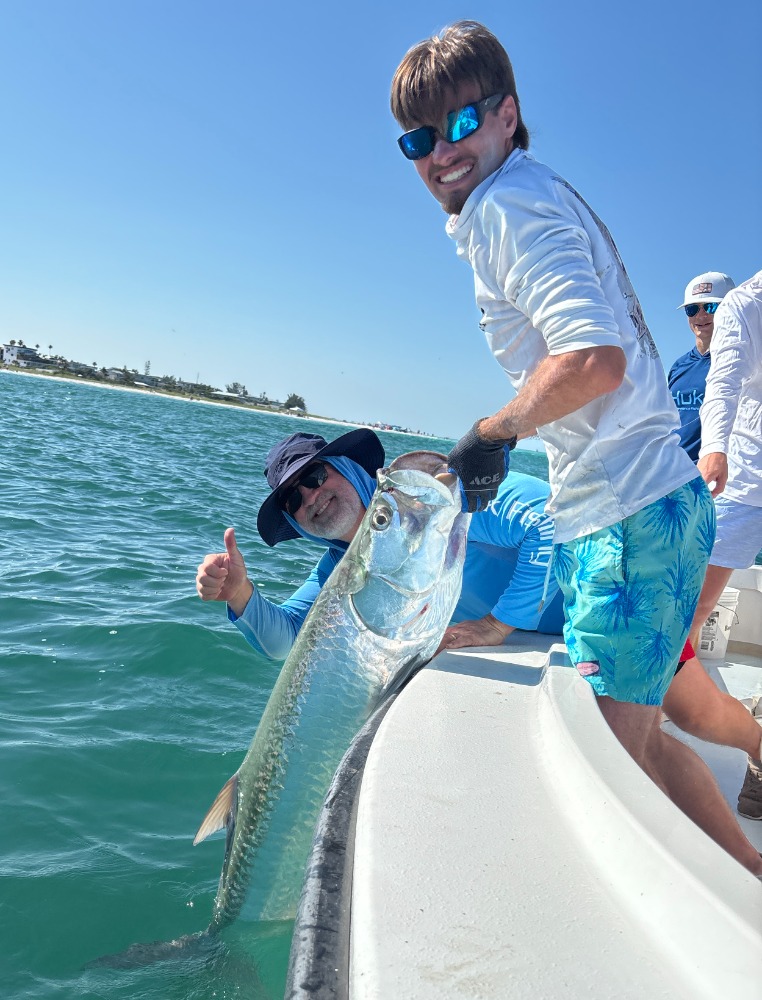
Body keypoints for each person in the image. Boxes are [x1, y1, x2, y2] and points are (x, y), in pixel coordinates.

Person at [390, 20, 761, 876]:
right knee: (645, 730)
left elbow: (594, 360)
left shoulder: (506, 206)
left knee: (607, 770)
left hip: (628, 520)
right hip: (648, 512)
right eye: (418, 138)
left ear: (507, 114)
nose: (440, 152)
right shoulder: (528, 192)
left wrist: (493, 432)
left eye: (460, 123)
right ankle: (749, 870)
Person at [196, 429, 564, 667]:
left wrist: (496, 626)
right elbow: (287, 642)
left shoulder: (433, 498)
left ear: (347, 468)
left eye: (315, 476)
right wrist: (240, 594)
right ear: (294, 522)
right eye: (292, 500)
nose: (310, 496)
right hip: (542, 650)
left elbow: (552, 523)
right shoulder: (340, 571)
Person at [685, 270, 762, 820]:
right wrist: (714, 448)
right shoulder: (744, 304)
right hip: (745, 477)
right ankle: (664, 708)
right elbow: (725, 381)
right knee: (693, 608)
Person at [668, 271, 735, 462]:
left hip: (720, 477)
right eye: (692, 309)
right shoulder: (678, 366)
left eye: (711, 306)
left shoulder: (742, 364)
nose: (701, 315)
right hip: (675, 475)